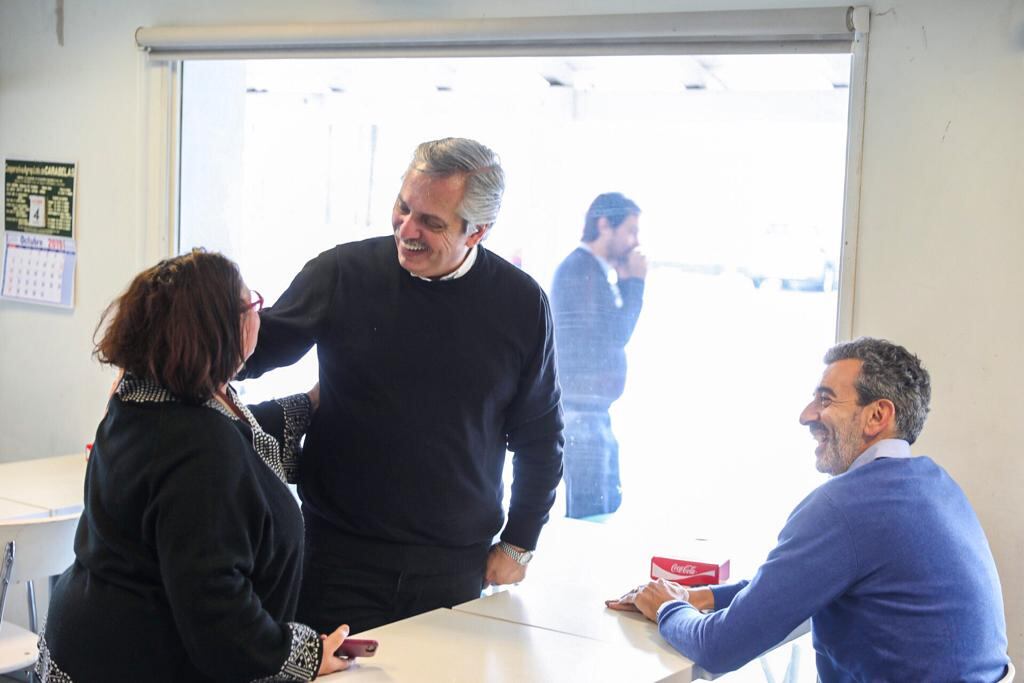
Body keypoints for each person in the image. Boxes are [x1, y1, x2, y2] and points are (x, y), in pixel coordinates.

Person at [240, 138, 564, 635]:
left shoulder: (521, 305)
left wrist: (520, 541)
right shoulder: (342, 272)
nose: (407, 230)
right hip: (336, 559)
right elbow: (252, 349)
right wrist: (158, 362)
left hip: (454, 571)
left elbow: (539, 437)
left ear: (477, 231)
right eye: (402, 207)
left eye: (431, 222)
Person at [608, 337, 1009, 681]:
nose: (806, 415)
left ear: (877, 416)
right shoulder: (934, 486)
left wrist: (665, 606)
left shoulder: (845, 506)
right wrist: (704, 597)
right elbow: (798, 584)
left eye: (825, 399)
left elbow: (719, 647)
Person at [38, 250, 354, 683]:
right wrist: (303, 653)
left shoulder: (146, 394)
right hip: (134, 661)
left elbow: (242, 434)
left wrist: (311, 404)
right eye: (252, 305)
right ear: (222, 329)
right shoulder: (200, 450)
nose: (260, 314)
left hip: (90, 636)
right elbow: (217, 611)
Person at [550, 192, 645, 518]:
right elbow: (614, 335)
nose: (635, 242)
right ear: (605, 224)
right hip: (583, 416)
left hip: (587, 413)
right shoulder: (582, 270)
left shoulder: (587, 269)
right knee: (590, 515)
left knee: (600, 508)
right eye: (630, 230)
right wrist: (634, 283)